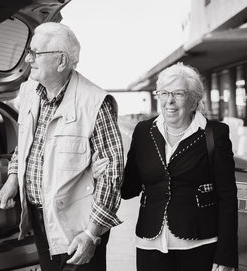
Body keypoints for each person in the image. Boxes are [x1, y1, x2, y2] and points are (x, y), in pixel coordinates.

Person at [0, 22, 124, 271]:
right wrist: (13, 178)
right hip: (40, 218)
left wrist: (91, 234)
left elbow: (112, 175)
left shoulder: (94, 103)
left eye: (36, 53)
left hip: (78, 226)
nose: (28, 59)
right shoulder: (30, 92)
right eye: (29, 52)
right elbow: (24, 145)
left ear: (61, 61)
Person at [94, 62, 238, 271]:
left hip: (200, 244)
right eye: (163, 93)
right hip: (149, 243)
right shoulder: (144, 131)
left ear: (194, 99)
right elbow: (129, 189)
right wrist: (105, 174)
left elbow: (227, 196)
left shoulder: (215, 134)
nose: (169, 101)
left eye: (178, 93)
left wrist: (226, 254)